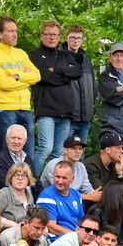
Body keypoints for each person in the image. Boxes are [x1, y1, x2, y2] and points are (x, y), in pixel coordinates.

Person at [29, 20, 83, 173]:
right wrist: (65, 74)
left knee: (59, 153)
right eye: (47, 34)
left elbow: (77, 72)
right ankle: (33, 183)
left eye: (54, 34)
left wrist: (57, 70)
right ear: (41, 35)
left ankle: (51, 184)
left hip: (65, 111)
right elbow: (45, 77)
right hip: (46, 110)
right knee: (45, 149)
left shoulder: (65, 55)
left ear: (59, 37)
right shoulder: (35, 55)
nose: (51, 37)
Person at [0, 16, 40, 154]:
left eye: (15, 31)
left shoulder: (20, 53)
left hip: (25, 109)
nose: (15, 34)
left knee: (28, 154)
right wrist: (26, 82)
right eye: (10, 31)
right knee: (5, 153)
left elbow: (37, 76)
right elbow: (2, 83)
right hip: (5, 110)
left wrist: (17, 76)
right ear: (0, 34)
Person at [0, 123, 33, 193]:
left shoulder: (28, 159)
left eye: (19, 138)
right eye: (13, 138)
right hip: (10, 201)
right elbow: (3, 186)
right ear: (7, 139)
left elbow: (36, 182)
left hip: (30, 200)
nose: (16, 141)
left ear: (25, 141)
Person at [0, 162, 36, 230]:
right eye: (16, 175)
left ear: (28, 179)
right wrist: (10, 224)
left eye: (23, 176)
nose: (20, 178)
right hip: (5, 234)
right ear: (10, 178)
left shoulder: (29, 195)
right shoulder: (3, 194)